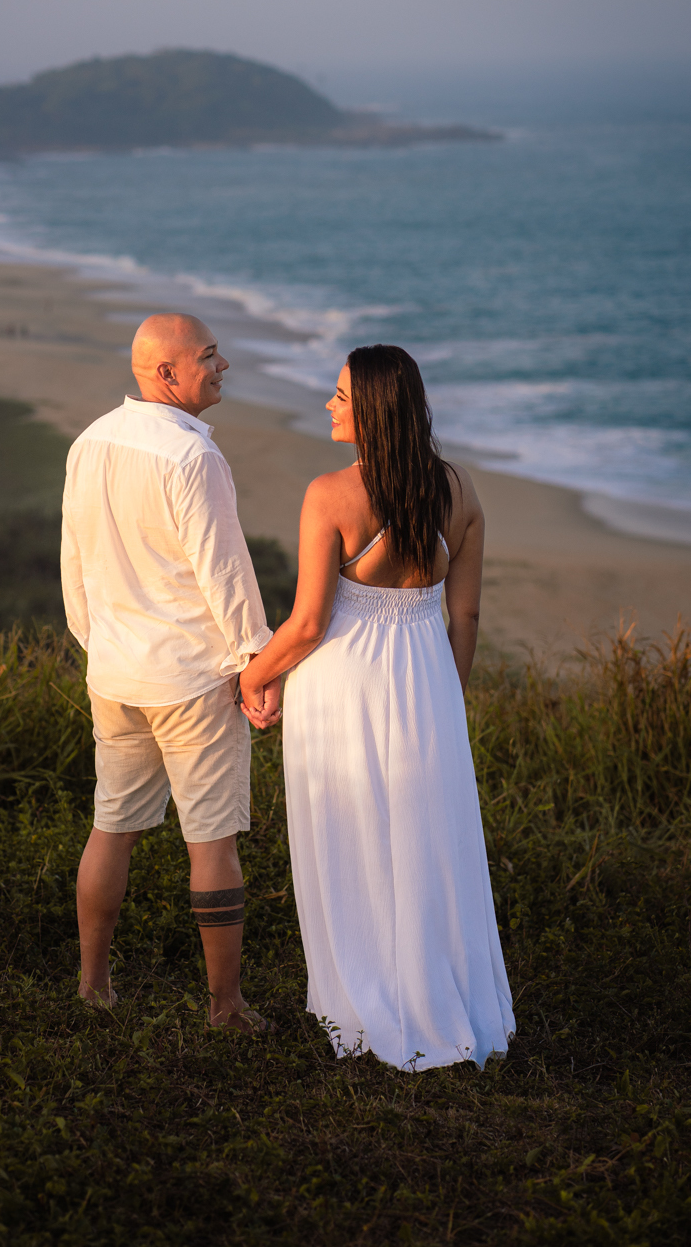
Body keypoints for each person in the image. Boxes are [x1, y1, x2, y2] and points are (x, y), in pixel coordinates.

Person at [239, 344, 515, 1069]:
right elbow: (469, 619)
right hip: (427, 680)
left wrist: (251, 677)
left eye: (339, 395)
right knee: (428, 842)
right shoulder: (462, 492)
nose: (328, 406)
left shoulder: (330, 494)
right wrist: (446, 701)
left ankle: (363, 999)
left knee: (350, 834)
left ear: (371, 409)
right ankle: (440, 992)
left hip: (343, 685)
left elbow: (304, 625)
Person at [61, 313, 280, 1030]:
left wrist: (100, 646)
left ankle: (94, 986)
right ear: (167, 374)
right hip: (192, 679)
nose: (223, 367)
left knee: (111, 826)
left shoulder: (89, 442)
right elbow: (227, 576)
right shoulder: (193, 457)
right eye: (210, 357)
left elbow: (75, 569)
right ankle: (227, 1008)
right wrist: (255, 663)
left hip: (116, 673)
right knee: (211, 842)